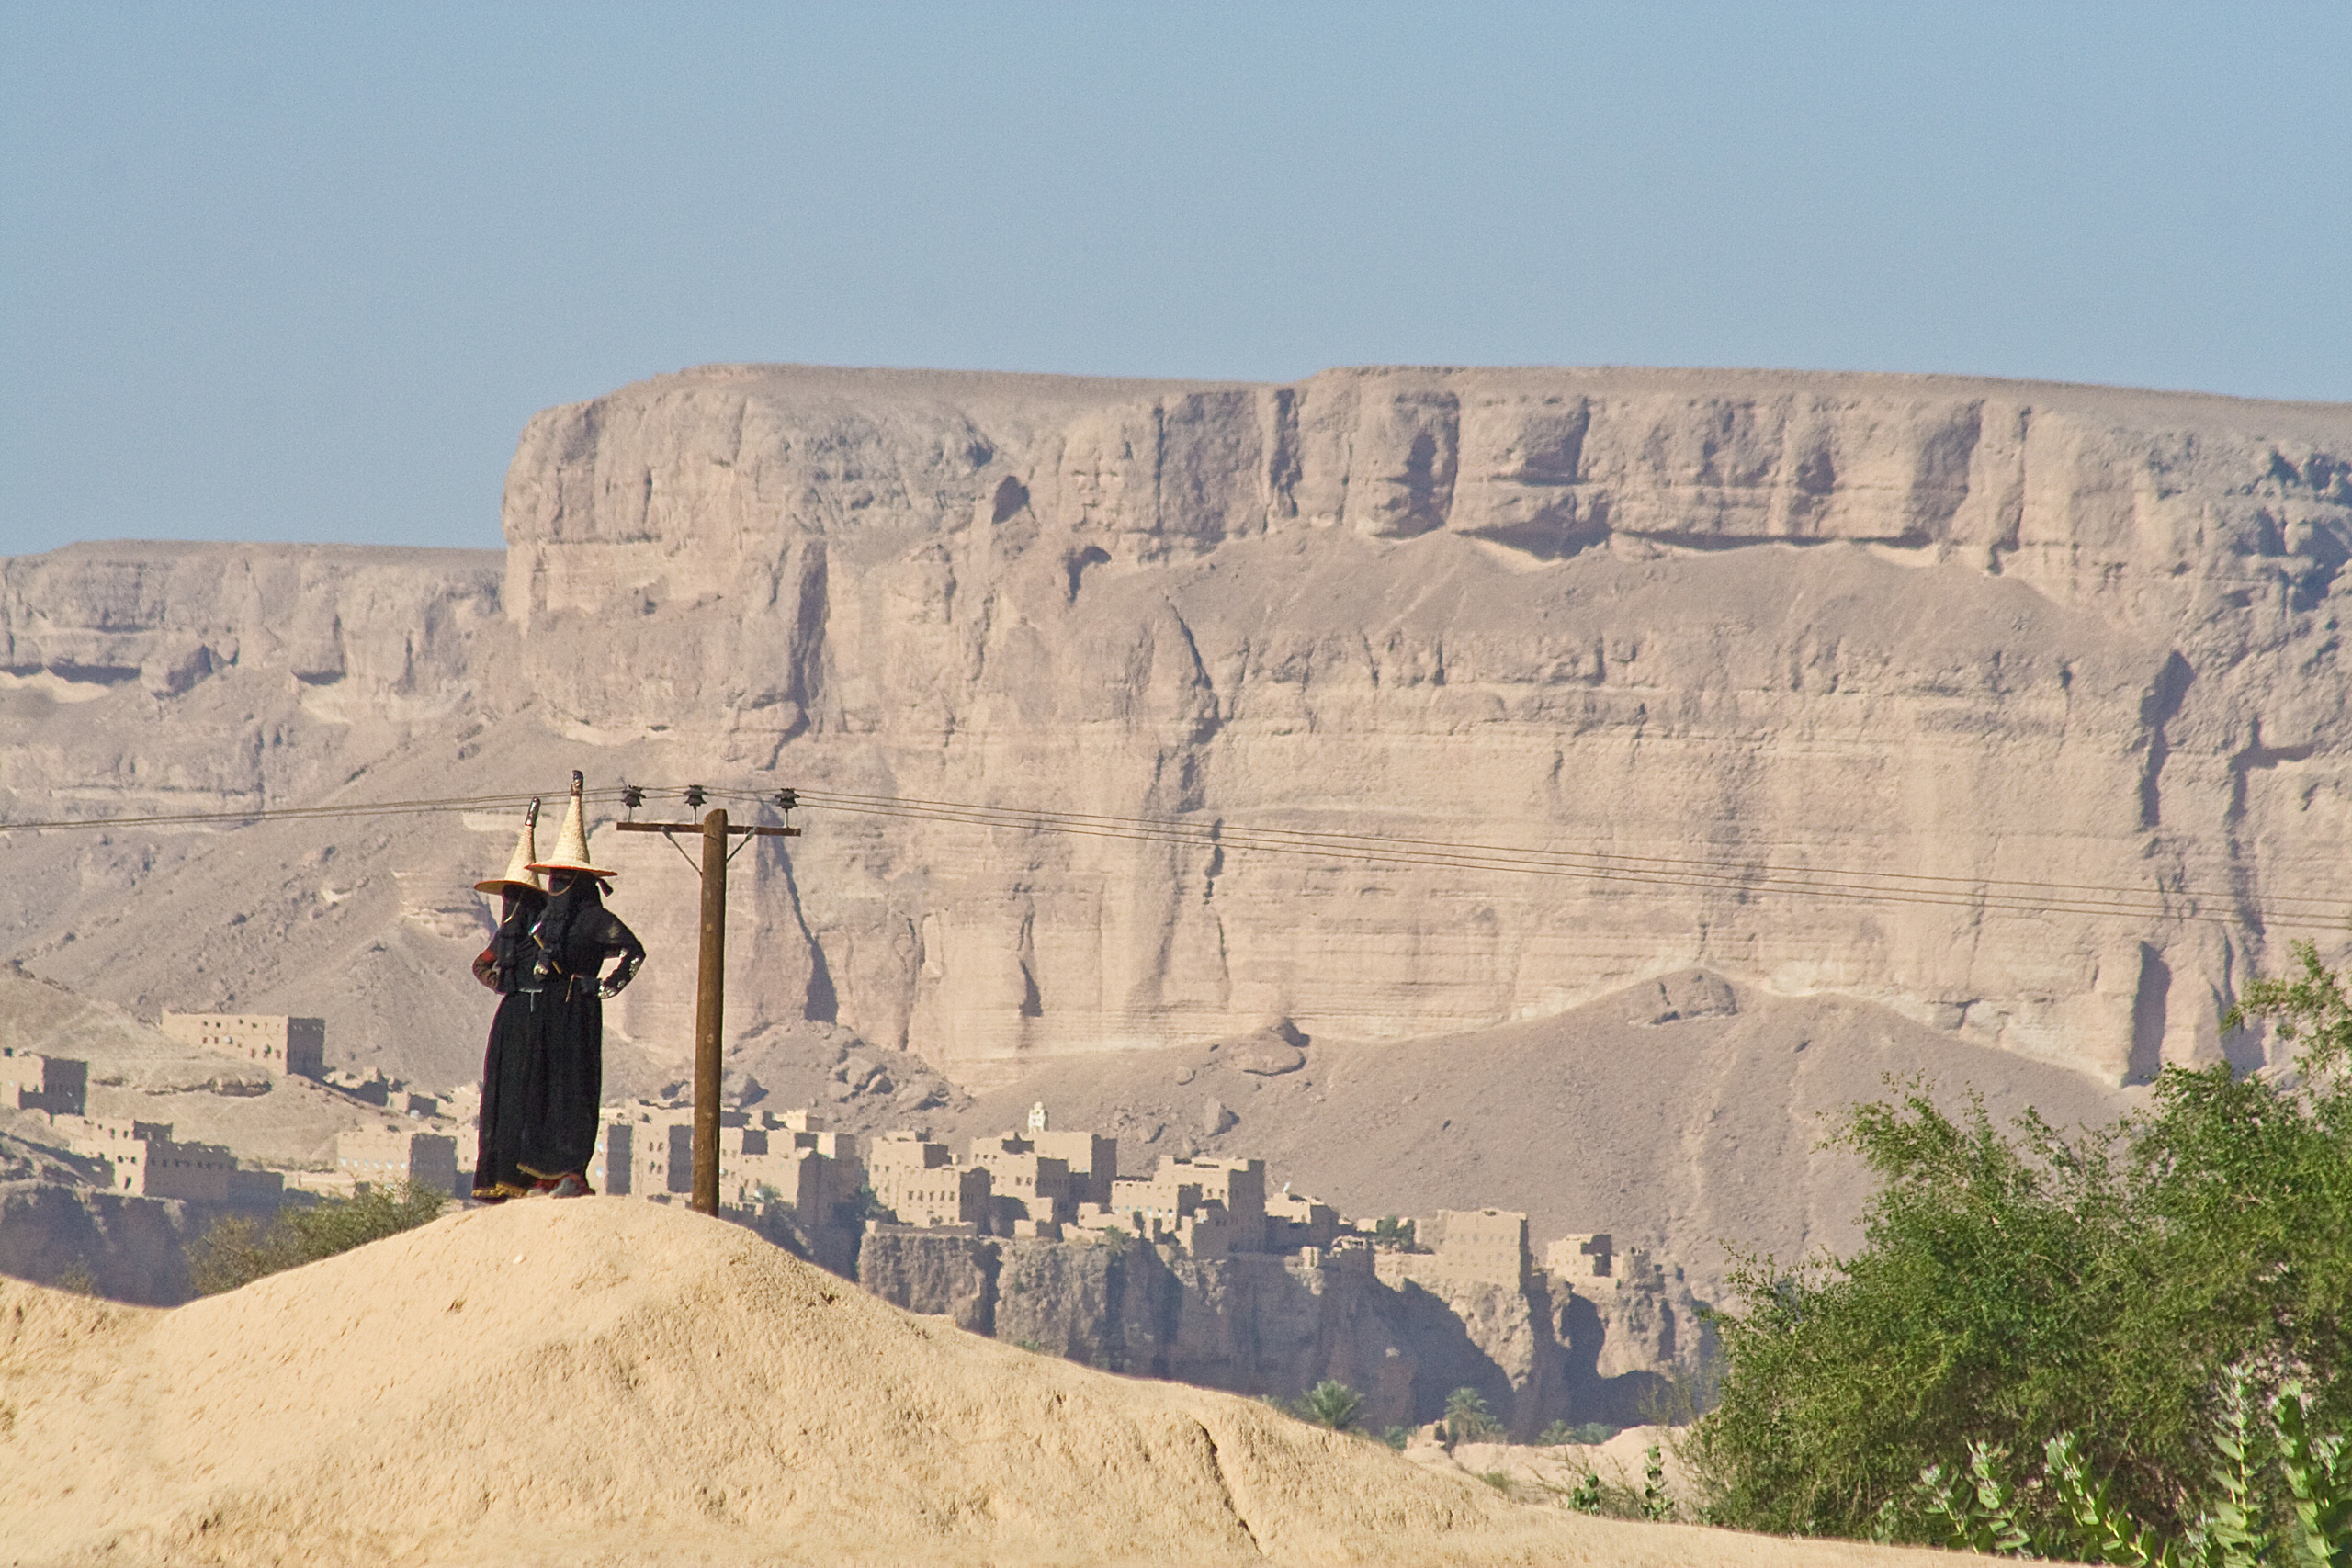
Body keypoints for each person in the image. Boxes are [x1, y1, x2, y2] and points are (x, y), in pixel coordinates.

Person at [515, 772, 643, 1197]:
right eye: (553, 878)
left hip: (580, 1010)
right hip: (548, 1007)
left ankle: (572, 1169)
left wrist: (604, 987)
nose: (555, 886)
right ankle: (544, 1169)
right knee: (543, 1081)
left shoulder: (595, 920)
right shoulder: (546, 921)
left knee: (575, 1085)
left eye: (563, 879)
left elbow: (633, 950)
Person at [469, 798, 548, 1201]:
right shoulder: (509, 936)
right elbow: (481, 966)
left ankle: (527, 1174)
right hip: (519, 1015)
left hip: (529, 1015)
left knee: (526, 1091)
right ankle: (505, 1175)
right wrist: (503, 983)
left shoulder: (538, 931)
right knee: (510, 1092)